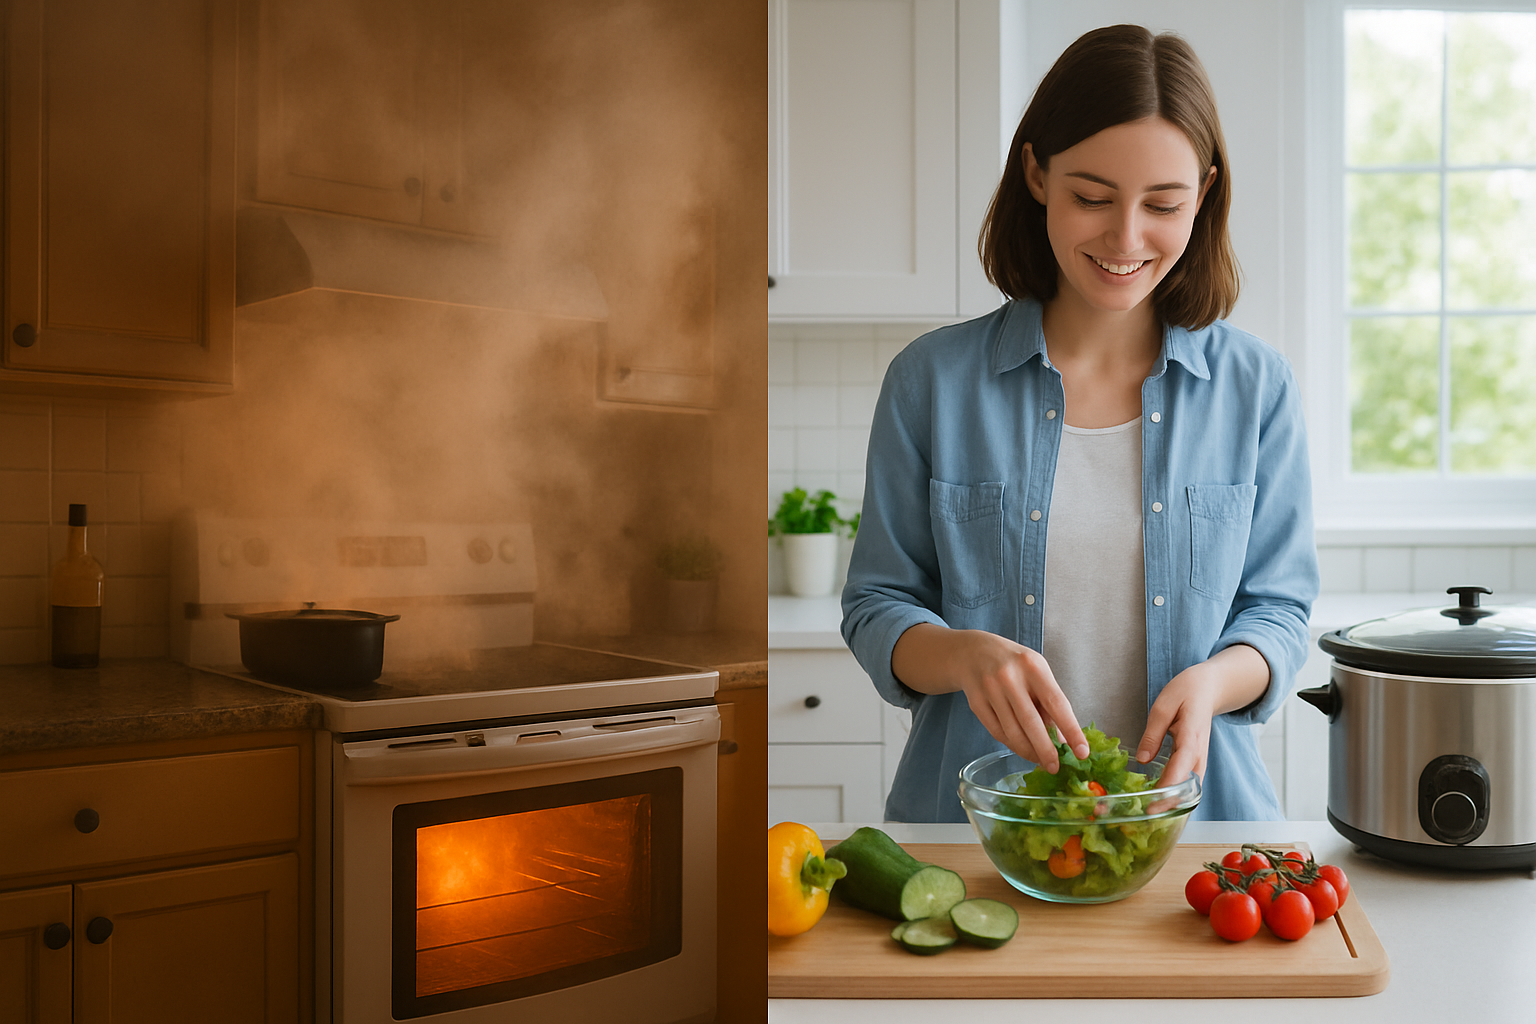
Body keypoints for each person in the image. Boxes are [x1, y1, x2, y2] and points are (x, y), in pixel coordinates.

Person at [840, 24, 1319, 823]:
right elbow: (879, 604)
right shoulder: (931, 381)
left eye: (1162, 204)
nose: (1125, 239)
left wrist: (1213, 681)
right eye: (1091, 197)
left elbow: (1278, 612)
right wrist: (963, 654)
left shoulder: (1256, 387)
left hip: (1199, 831)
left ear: (1202, 193)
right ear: (1036, 173)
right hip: (977, 830)